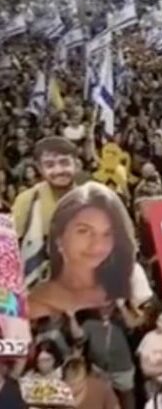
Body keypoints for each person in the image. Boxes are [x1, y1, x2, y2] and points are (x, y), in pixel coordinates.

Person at [27, 181, 136, 319]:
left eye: (107, 233)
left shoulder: (125, 288)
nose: (97, 245)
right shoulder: (33, 303)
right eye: (84, 231)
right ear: (59, 236)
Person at [12, 136, 79, 286]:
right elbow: (8, 250)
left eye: (64, 162)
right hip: (35, 289)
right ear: (39, 168)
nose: (59, 170)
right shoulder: (27, 200)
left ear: (76, 163)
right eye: (50, 165)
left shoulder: (93, 199)